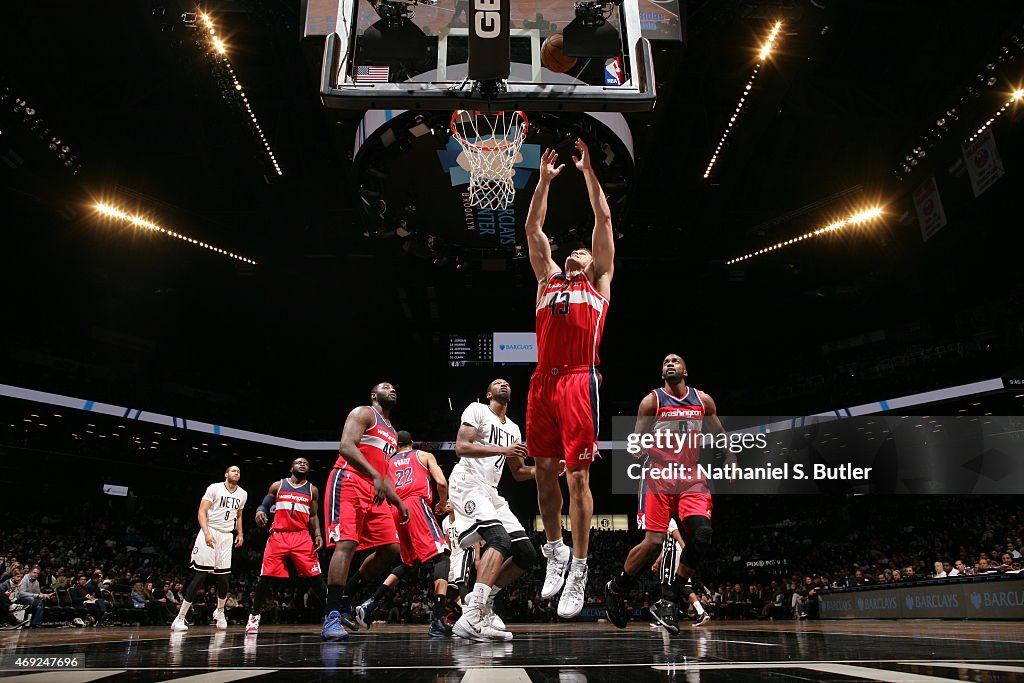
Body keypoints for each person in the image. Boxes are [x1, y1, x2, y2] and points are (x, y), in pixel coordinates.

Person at [525, 139, 615, 618]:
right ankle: (555, 550)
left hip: (580, 380)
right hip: (542, 383)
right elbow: (533, 227)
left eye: (584, 250)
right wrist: (543, 181)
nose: (580, 251)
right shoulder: (546, 280)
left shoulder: (597, 284)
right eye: (574, 249)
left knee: (578, 477)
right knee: (544, 476)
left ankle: (579, 566)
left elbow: (602, 220)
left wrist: (586, 173)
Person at [605, 354, 722, 634]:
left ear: (686, 370)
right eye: (666, 362)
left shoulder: (703, 400)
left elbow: (718, 431)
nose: (670, 363)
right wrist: (637, 448)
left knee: (703, 536)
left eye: (676, 361)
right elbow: (636, 438)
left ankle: (668, 600)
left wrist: (727, 453)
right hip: (658, 474)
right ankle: (617, 588)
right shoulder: (651, 401)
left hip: (690, 476)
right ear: (662, 373)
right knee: (654, 542)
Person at [450, 379, 545, 641]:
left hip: (491, 491)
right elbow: (462, 447)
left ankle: (484, 603)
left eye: (507, 383)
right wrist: (504, 449)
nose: (504, 384)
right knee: (499, 540)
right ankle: (471, 616)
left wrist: (547, 470)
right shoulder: (477, 410)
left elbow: (518, 472)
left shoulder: (513, 428)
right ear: (488, 392)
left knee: (526, 554)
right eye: (497, 383)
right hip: (467, 482)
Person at [322, 382, 410, 641]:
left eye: (395, 387)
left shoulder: (392, 433)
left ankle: (346, 596)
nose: (392, 389)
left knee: (392, 549)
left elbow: (384, 473)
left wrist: (399, 502)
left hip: (376, 490)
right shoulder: (363, 413)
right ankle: (332, 616)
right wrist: (374, 476)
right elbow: (346, 447)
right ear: (374, 395)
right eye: (385, 387)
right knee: (346, 544)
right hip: (348, 480)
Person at [356, 431, 453, 637]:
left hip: (394, 510)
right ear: (411, 443)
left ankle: (369, 605)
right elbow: (442, 483)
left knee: (409, 563)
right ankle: (437, 618)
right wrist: (442, 504)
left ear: (396, 446)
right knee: (442, 555)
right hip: (416, 505)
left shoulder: (387, 461)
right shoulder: (423, 455)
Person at [246, 457, 328, 634]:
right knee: (265, 577)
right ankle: (254, 616)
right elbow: (265, 502)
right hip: (279, 535)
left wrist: (318, 534)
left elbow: (313, 516)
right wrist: (260, 510)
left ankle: (331, 617)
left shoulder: (312, 490)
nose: (302, 464)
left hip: (301, 536)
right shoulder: (278, 485)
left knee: (316, 577)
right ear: (291, 467)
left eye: (306, 463)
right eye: (298, 462)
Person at [171, 465, 247, 631]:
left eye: (239, 471)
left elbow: (239, 515)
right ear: (226, 474)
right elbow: (201, 512)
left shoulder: (243, 494)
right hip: (211, 530)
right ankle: (180, 617)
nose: (236, 473)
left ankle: (220, 612)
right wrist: (206, 532)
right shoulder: (214, 488)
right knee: (201, 576)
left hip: (227, 536)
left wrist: (240, 532)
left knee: (224, 579)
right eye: (233, 470)